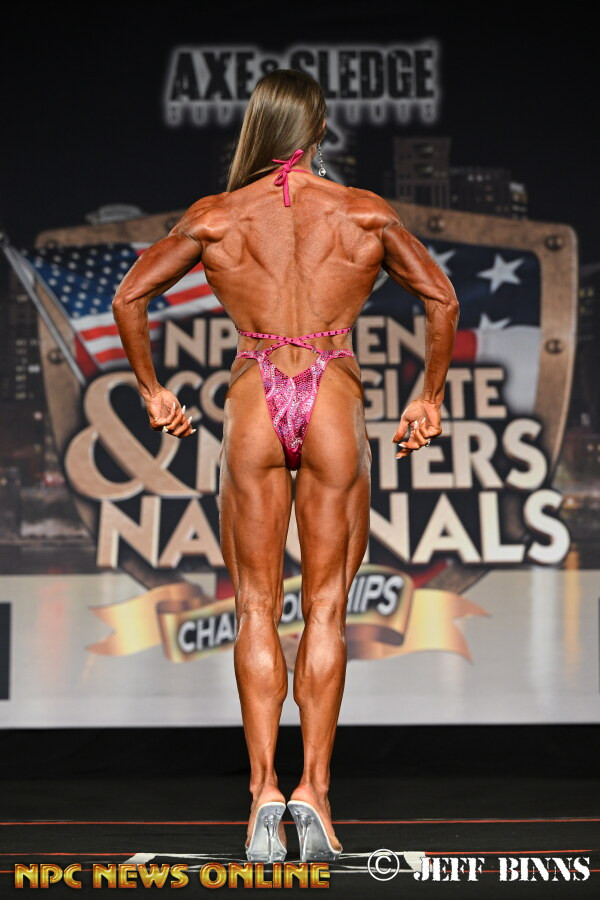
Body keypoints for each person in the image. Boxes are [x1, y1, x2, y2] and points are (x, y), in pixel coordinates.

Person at [112, 68, 459, 863]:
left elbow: (130, 297)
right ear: (319, 130)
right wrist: (428, 398)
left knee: (255, 609)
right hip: (332, 389)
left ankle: (263, 797)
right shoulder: (362, 211)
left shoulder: (217, 216)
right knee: (327, 609)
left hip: (254, 397)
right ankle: (315, 796)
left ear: (258, 129)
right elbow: (441, 298)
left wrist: (154, 392)